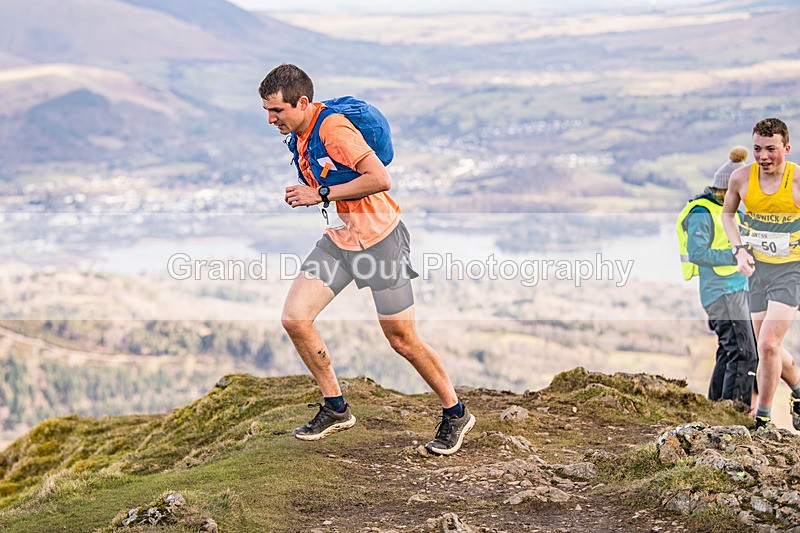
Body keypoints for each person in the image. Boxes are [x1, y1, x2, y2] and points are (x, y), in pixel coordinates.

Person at [258, 64, 475, 454]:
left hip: (381, 241)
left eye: (277, 111)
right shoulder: (302, 134)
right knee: (295, 318)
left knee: (402, 340)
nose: (272, 120)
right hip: (343, 240)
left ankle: (456, 412)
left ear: (302, 102)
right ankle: (336, 408)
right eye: (267, 112)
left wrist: (320, 194)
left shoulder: (334, 130)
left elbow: (380, 179)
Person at [722, 118, 800, 430]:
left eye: (771, 149)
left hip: (792, 270)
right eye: (757, 148)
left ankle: (763, 419)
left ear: (786, 148)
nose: (763, 156)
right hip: (758, 269)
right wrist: (738, 249)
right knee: (767, 348)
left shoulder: (796, 181)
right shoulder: (742, 178)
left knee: (767, 345)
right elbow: (728, 214)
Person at [677, 147, 757, 408]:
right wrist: (737, 253)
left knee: (730, 351)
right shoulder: (702, 212)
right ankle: (736, 414)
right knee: (744, 353)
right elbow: (698, 253)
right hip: (720, 293)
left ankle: (716, 410)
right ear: (730, 187)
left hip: (735, 288)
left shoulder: (732, 210)